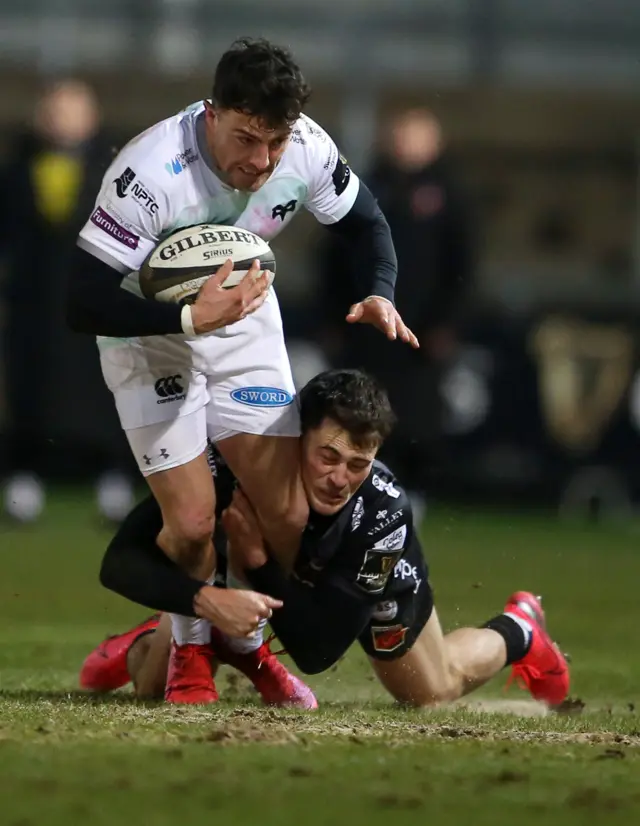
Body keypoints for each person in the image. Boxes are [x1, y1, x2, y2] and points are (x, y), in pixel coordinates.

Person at [66, 39, 418, 703]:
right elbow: (81, 298)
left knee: (285, 513)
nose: (261, 161)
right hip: (150, 335)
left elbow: (369, 224)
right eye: (247, 138)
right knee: (194, 522)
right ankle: (192, 651)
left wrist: (381, 289)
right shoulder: (150, 171)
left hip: (245, 317)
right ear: (212, 112)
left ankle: (241, 640)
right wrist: (190, 320)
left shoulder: (307, 147)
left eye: (276, 142)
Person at [80, 370, 570, 709]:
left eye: (359, 464)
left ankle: (520, 629)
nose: (341, 478)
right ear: (297, 439)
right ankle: (147, 641)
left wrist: (260, 561)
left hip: (346, 588)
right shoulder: (240, 464)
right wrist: (202, 600)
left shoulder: (383, 514)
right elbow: (117, 561)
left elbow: (318, 651)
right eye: (328, 457)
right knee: (151, 690)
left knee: (431, 691)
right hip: (241, 580)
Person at [317, 108, 474, 510]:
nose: (407, 143)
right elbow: (333, 257)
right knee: (358, 415)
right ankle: (354, 502)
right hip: (365, 330)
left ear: (435, 143)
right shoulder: (362, 188)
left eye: (417, 135)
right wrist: (333, 317)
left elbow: (462, 266)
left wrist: (447, 323)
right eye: (401, 133)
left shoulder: (449, 196)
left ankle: (410, 506)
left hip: (420, 332)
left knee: (417, 423)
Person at [0, 79, 135, 522]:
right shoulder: (17, 171)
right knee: (29, 390)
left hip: (94, 301)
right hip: (32, 305)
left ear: (92, 117)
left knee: (106, 389)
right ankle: (24, 479)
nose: (62, 119)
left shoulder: (116, 175)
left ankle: (112, 479)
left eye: (73, 109)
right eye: (55, 109)